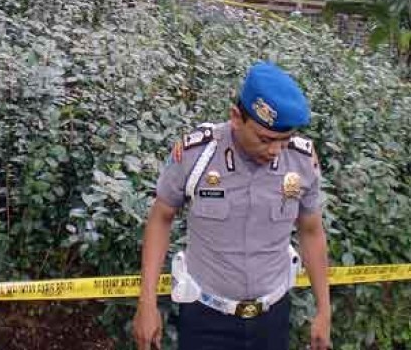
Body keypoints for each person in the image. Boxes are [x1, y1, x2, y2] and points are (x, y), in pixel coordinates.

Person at [132, 61, 331, 350]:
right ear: (236, 117)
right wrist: (147, 302)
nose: (275, 150)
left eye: (284, 141)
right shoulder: (196, 155)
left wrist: (324, 310)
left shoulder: (301, 161)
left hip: (272, 320)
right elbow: (161, 217)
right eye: (265, 139)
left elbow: (311, 231)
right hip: (205, 320)